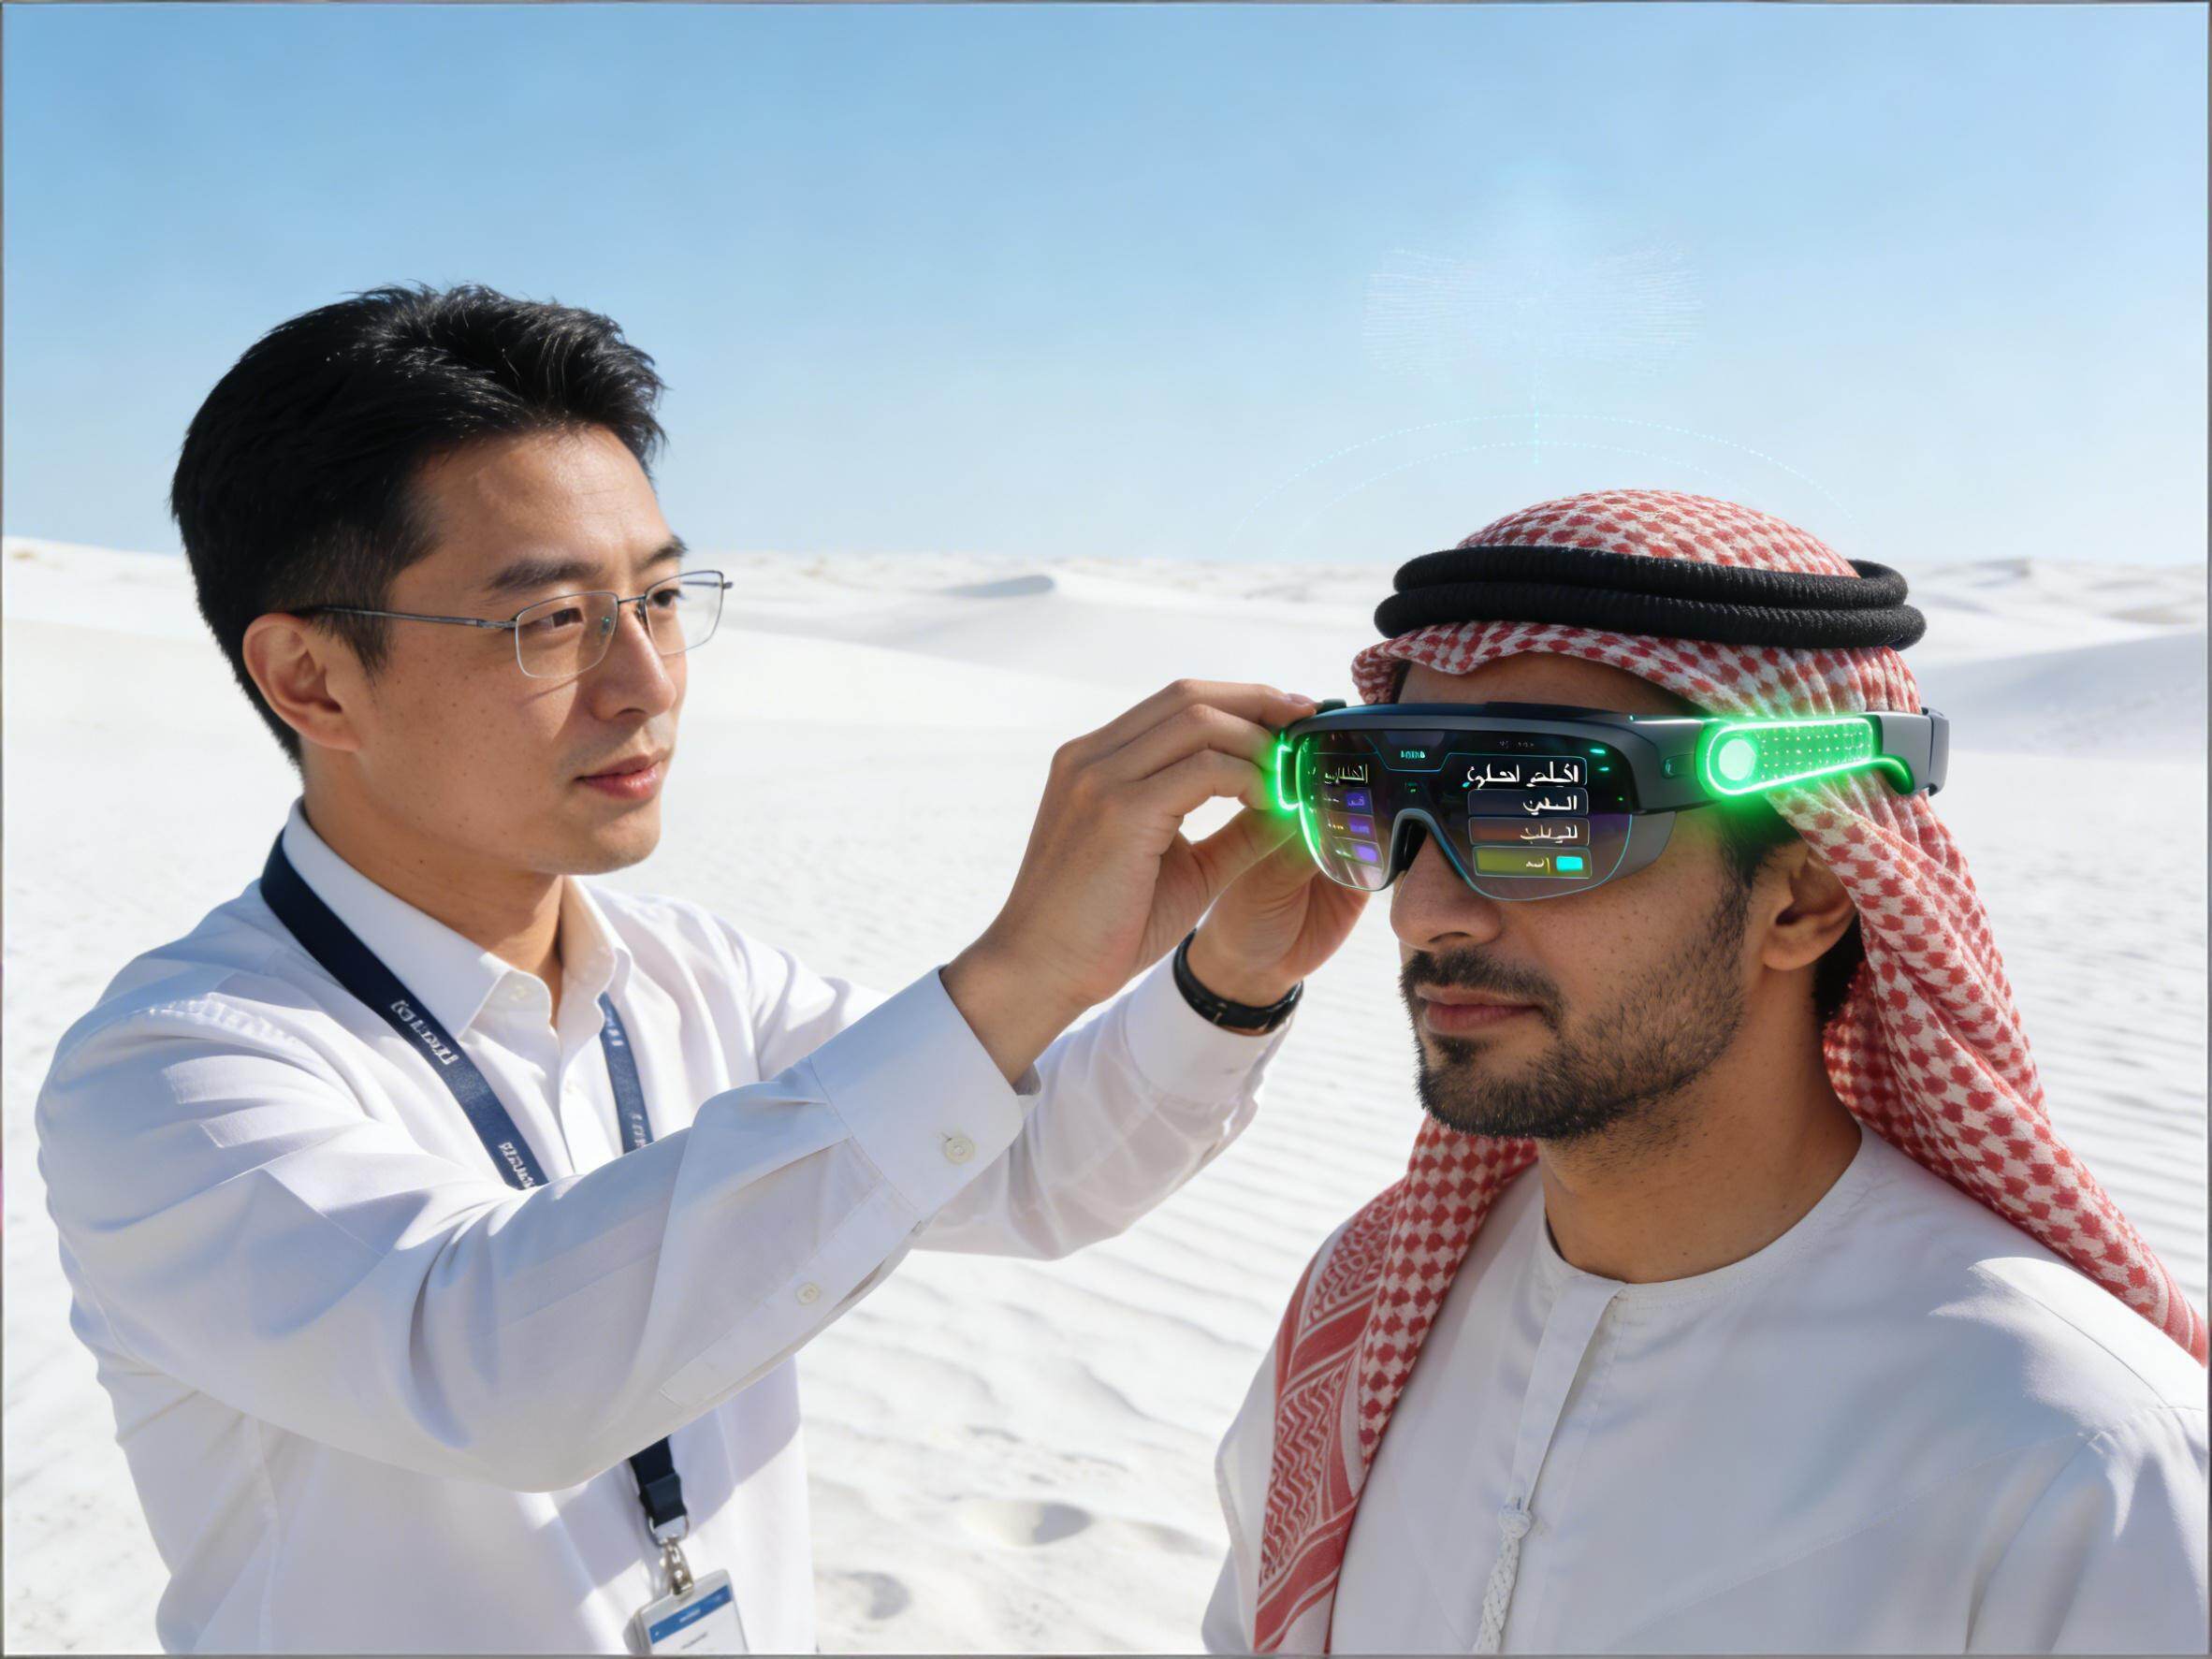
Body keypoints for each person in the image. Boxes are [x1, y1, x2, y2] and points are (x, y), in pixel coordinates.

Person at [32, 282, 1370, 1654]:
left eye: (662, 599)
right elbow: (501, 1370)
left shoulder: (689, 977)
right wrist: (1020, 974)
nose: (648, 681)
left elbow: (1027, 1171)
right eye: (554, 620)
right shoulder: (174, 1071)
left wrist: (1227, 978)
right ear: (312, 679)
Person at [1202, 488, 2208, 1654]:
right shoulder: (1366, 1307)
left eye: (1542, 811)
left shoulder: (2076, 1457)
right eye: (1380, 802)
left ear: (1807, 895)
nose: (1423, 912)